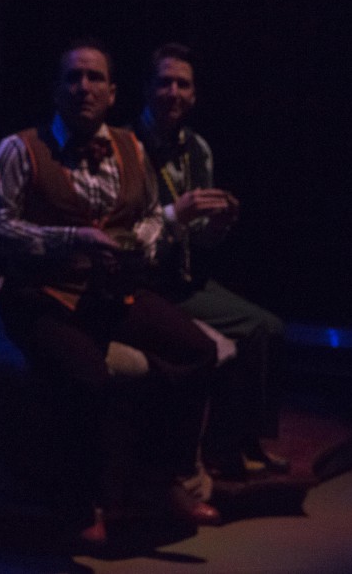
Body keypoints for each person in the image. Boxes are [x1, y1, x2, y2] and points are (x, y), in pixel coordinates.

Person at [0, 38, 221, 545]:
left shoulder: (132, 147)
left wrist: (141, 245)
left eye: (95, 78)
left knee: (197, 350)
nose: (83, 87)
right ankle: (82, 503)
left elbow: (150, 216)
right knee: (88, 377)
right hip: (42, 294)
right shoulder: (20, 149)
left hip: (110, 290)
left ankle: (167, 479)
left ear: (113, 93)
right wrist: (71, 239)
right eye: (73, 77)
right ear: (56, 89)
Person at [133, 42, 288, 479]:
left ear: (195, 94)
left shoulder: (196, 148)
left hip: (187, 278)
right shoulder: (127, 147)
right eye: (165, 83)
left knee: (269, 327)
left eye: (183, 85)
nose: (174, 93)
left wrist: (218, 225)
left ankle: (243, 440)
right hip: (148, 280)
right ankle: (224, 448)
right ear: (147, 89)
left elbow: (202, 239)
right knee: (253, 329)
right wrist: (176, 216)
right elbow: (128, 226)